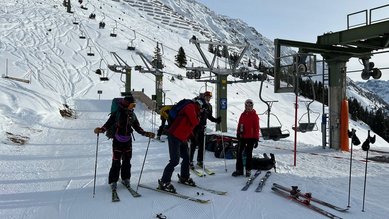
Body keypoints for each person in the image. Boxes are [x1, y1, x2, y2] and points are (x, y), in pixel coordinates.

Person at [94, 96, 155, 190]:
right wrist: (101, 130)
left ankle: (126, 178)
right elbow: (108, 123)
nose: (134, 107)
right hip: (117, 140)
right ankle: (113, 181)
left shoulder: (132, 114)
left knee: (127, 161)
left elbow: (137, 127)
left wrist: (146, 133)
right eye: (132, 104)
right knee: (116, 161)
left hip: (128, 141)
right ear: (127, 104)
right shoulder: (117, 113)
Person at [158, 98, 206, 193]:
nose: (202, 110)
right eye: (202, 107)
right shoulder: (190, 106)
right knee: (174, 160)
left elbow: (188, 124)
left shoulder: (195, 111)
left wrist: (192, 136)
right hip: (174, 135)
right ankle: (164, 181)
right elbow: (194, 121)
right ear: (199, 104)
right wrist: (199, 119)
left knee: (186, 158)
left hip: (182, 137)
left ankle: (184, 177)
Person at [189, 91, 221, 168]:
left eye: (209, 97)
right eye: (207, 96)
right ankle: (189, 161)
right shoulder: (198, 103)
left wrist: (216, 120)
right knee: (193, 144)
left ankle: (200, 161)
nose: (208, 98)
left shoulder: (209, 106)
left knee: (201, 145)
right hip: (195, 127)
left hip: (202, 127)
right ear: (204, 96)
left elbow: (209, 116)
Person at [232, 99, 260, 177]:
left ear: (252, 106)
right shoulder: (243, 115)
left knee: (248, 154)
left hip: (251, 138)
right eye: (247, 106)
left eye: (250, 106)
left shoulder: (255, 116)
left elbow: (256, 128)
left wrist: (256, 139)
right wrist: (238, 133)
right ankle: (239, 170)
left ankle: (248, 170)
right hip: (243, 136)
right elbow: (239, 124)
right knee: (239, 153)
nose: (248, 108)